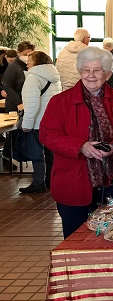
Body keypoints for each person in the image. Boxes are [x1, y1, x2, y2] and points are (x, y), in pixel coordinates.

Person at [39, 46, 113, 238]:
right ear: (80, 71)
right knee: (75, 239)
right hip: (73, 182)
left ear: (107, 74)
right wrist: (80, 147)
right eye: (86, 70)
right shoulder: (60, 102)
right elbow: (47, 134)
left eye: (97, 70)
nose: (91, 75)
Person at [18, 51, 62, 194]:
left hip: (38, 122)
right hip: (53, 121)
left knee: (36, 153)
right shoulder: (54, 76)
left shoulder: (33, 77)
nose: (27, 63)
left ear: (36, 62)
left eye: (29, 60)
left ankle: (38, 182)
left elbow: (32, 104)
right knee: (49, 153)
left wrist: (27, 124)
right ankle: (50, 180)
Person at [2, 42, 35, 169]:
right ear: (19, 53)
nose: (28, 56)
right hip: (15, 104)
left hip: (26, 103)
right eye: (26, 54)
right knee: (13, 133)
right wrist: (18, 102)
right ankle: (6, 157)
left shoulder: (30, 66)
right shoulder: (13, 67)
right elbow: (7, 86)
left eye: (30, 54)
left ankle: (19, 155)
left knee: (21, 133)